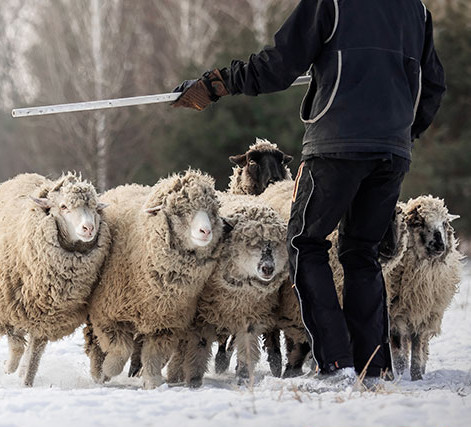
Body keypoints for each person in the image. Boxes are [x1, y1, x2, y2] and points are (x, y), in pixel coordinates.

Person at [172, 0, 445, 384]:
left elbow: (280, 65)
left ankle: (336, 362)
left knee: (305, 242)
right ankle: (375, 369)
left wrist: (215, 84)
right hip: (391, 152)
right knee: (362, 254)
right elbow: (433, 84)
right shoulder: (415, 9)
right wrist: (402, 132)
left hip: (337, 146)